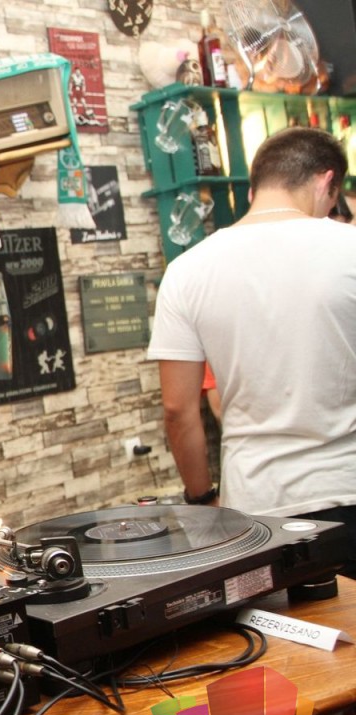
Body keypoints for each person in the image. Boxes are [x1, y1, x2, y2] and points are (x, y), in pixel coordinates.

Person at [147, 127, 356, 555]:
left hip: (255, 506)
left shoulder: (187, 270)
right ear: (326, 183)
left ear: (253, 190)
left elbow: (178, 411)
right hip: (347, 488)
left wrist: (202, 499)